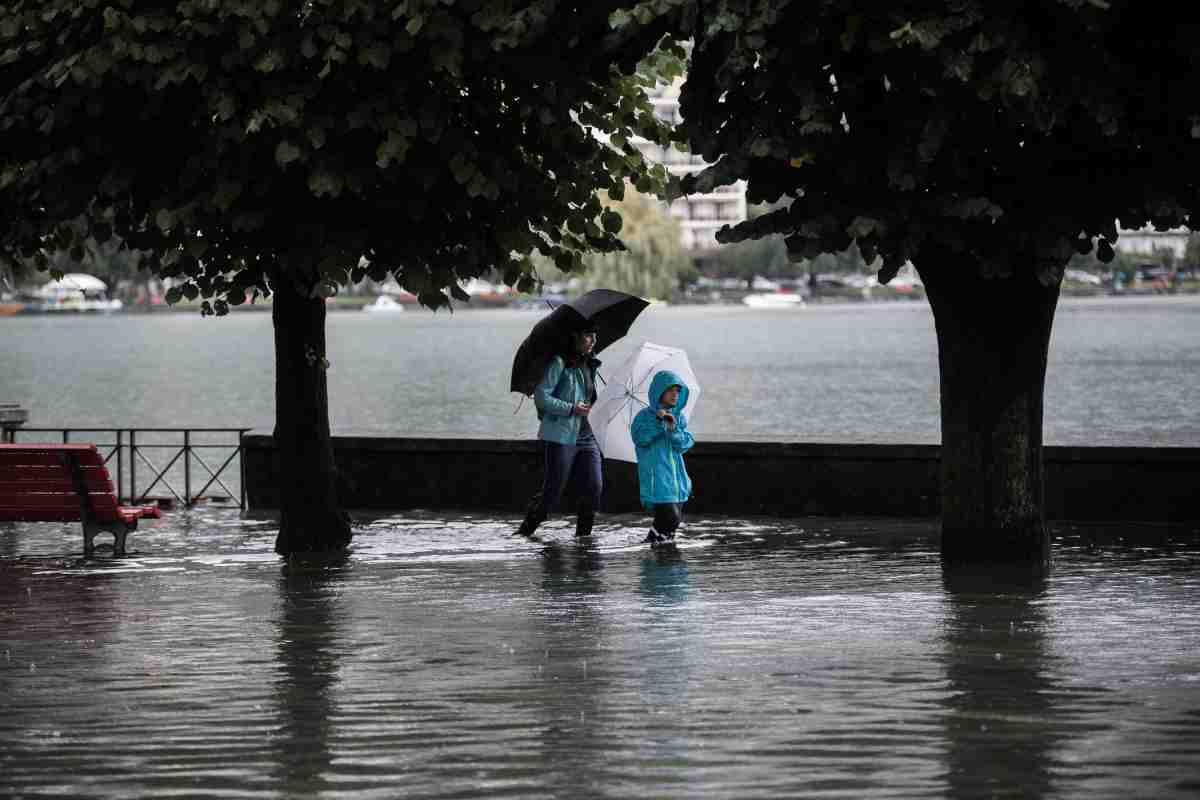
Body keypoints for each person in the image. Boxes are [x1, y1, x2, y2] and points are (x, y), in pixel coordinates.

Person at [513, 321, 603, 539]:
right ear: (574, 337)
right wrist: (571, 409)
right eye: (587, 336)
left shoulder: (590, 365)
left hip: (587, 436)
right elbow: (542, 398)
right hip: (561, 436)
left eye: (594, 336)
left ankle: (583, 539)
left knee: (594, 487)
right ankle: (525, 531)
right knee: (553, 492)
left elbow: (590, 399)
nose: (592, 341)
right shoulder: (559, 362)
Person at [631, 370, 694, 544]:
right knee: (671, 518)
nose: (675, 394)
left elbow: (686, 443)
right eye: (670, 390)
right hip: (656, 480)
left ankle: (659, 557)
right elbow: (640, 439)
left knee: (671, 526)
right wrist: (658, 423)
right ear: (659, 392)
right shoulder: (643, 417)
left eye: (678, 391)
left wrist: (673, 429)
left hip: (677, 481)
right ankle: (651, 545)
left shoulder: (678, 417)